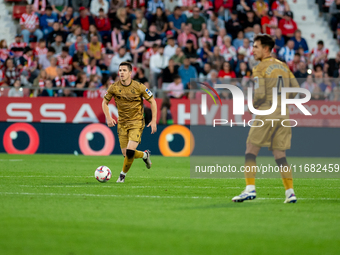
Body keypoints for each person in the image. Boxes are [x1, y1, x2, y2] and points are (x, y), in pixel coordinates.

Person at [232, 34, 299, 204]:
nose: (253, 50)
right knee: (280, 154)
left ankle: (250, 189)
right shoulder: (283, 66)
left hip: (266, 112)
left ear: (266, 49)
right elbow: (296, 88)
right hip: (283, 112)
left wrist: (252, 105)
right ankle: (290, 192)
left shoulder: (259, 67)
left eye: (256, 47)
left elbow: (260, 93)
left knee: (251, 149)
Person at [102, 62, 157, 183]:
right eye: (120, 70)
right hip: (122, 123)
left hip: (137, 122)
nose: (121, 73)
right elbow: (104, 102)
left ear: (130, 73)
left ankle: (122, 176)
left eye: (124, 70)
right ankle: (144, 155)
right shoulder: (113, 87)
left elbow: (153, 101)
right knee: (126, 154)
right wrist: (108, 117)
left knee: (130, 152)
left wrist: (153, 120)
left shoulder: (139, 87)